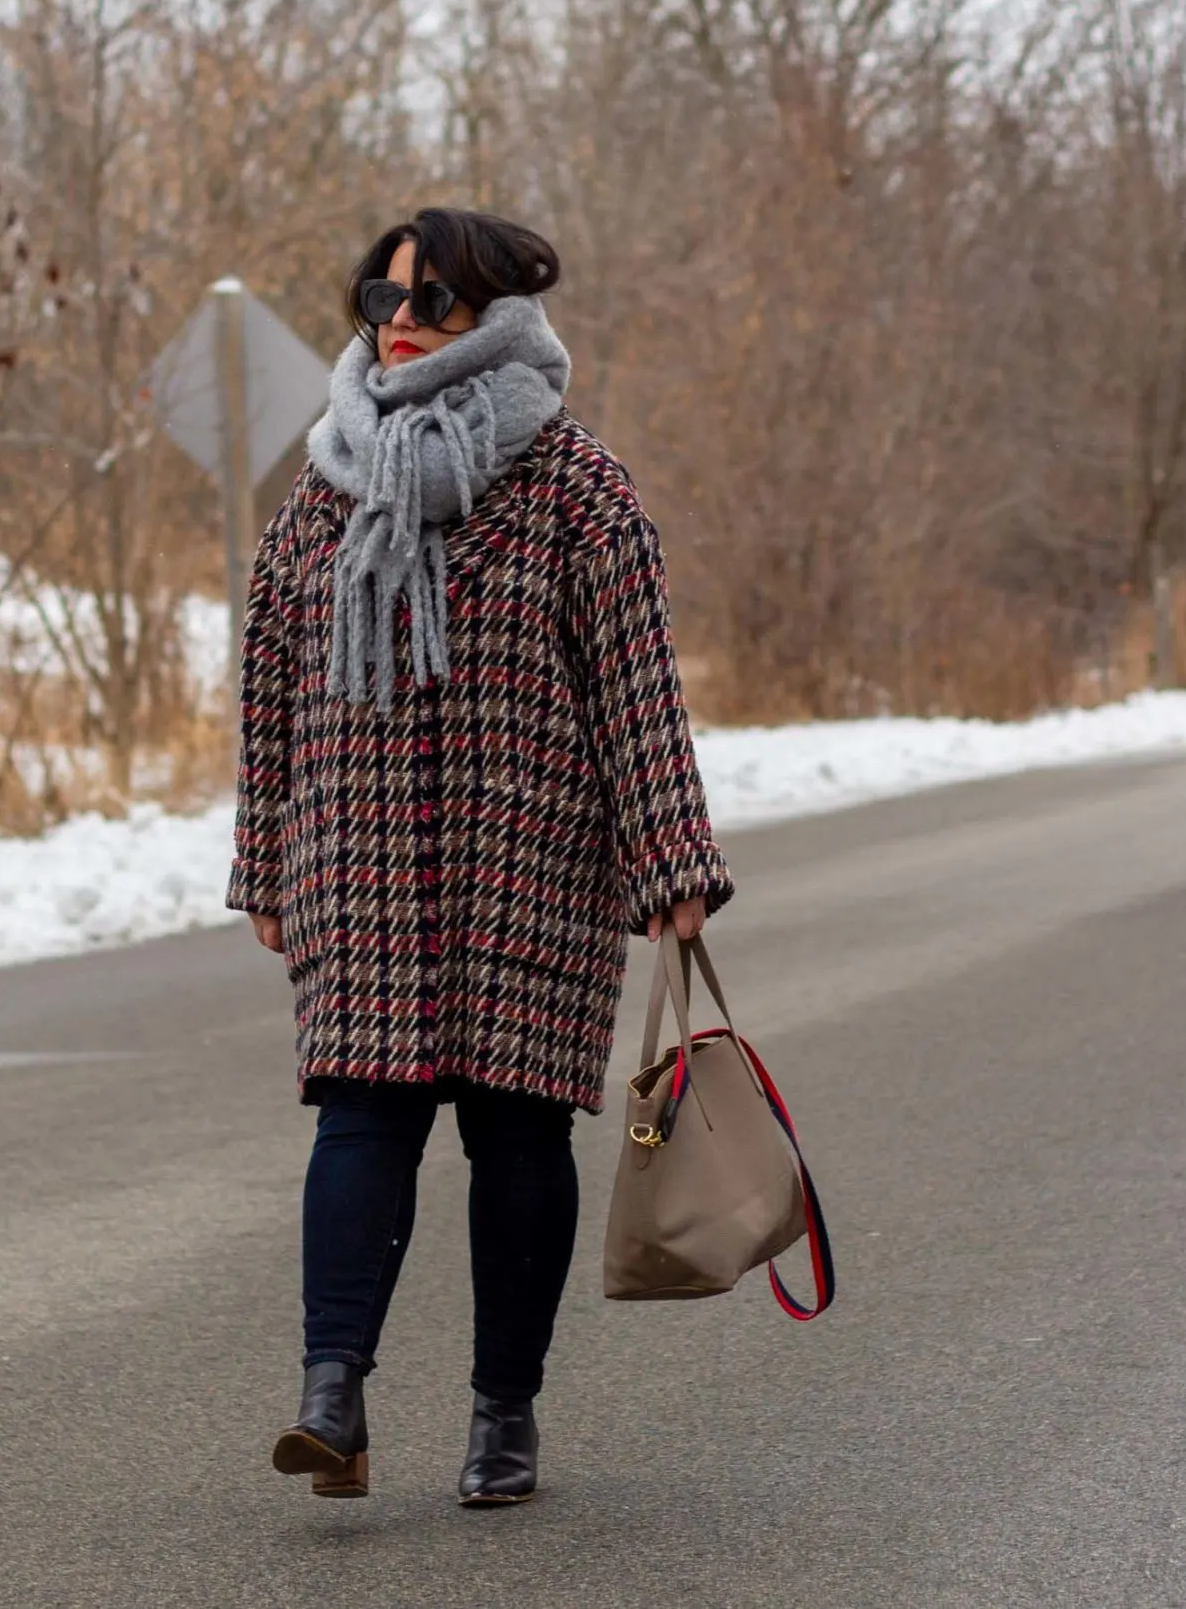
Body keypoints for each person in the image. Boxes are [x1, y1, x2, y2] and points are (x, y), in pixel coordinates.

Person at [228, 206, 733, 1506]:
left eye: (432, 296)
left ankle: (504, 1415)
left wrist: (670, 862)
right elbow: (271, 679)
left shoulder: (576, 489)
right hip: (360, 851)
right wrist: (263, 855)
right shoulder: (326, 483)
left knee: (518, 1137)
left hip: (534, 858)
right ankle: (330, 1394)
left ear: (497, 316)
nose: (398, 317)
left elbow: (634, 689)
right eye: (380, 293)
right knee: (361, 1115)